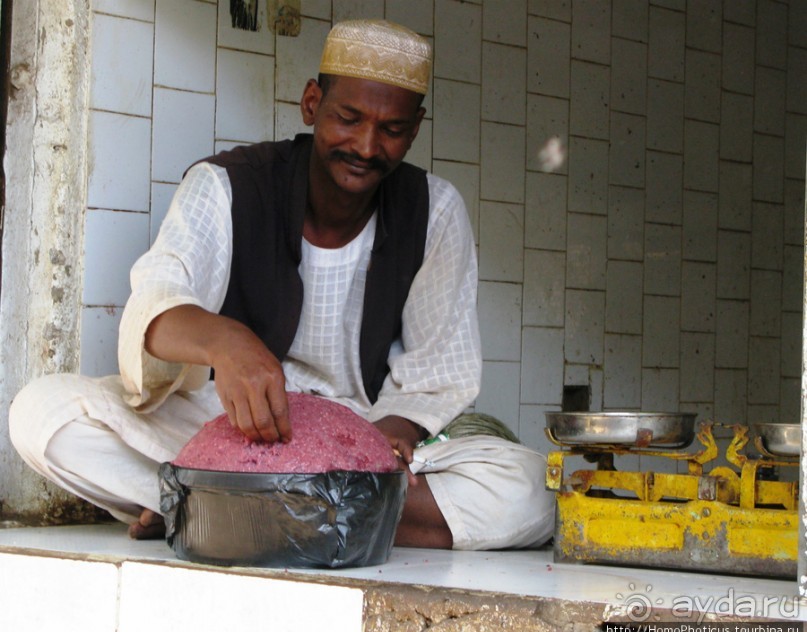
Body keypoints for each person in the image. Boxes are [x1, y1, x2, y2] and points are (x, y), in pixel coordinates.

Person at [9, 19, 554, 551]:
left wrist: (381, 439)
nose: (366, 146)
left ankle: (211, 507)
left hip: (358, 440)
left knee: (533, 489)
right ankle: (303, 514)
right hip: (232, 431)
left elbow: (437, 377)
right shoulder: (227, 185)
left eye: (390, 130)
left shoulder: (434, 212)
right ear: (312, 103)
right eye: (348, 118)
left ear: (413, 130)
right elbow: (157, 302)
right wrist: (227, 341)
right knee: (42, 414)